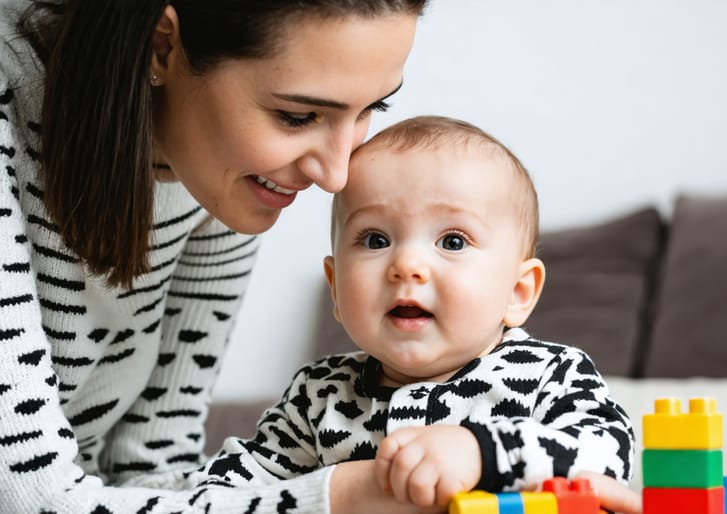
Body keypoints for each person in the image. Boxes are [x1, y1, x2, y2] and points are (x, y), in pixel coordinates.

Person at [0, 0, 431, 512]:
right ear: (163, 46)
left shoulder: (215, 167)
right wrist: (342, 495)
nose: (335, 175)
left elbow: (153, 469)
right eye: (297, 116)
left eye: (371, 110)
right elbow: (31, 500)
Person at [168, 115, 639, 513]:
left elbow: (609, 453)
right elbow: (222, 495)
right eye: (376, 239)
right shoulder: (318, 397)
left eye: (453, 241)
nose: (406, 266)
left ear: (517, 292)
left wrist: (481, 451)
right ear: (335, 288)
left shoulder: (548, 375)